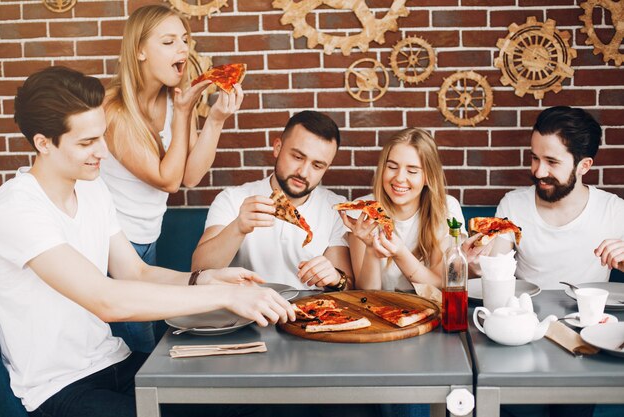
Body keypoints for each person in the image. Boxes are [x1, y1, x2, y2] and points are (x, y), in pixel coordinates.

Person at [0, 65, 294, 417]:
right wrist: (226, 296)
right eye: (86, 142)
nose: (103, 152)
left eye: (103, 136)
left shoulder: (92, 188)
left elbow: (134, 272)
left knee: (246, 400)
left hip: (113, 360)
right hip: (59, 387)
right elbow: (105, 300)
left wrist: (200, 279)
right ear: (44, 143)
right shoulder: (17, 207)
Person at [465, 106, 624, 417]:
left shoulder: (614, 211)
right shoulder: (514, 204)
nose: (538, 171)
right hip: (520, 335)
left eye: (551, 162)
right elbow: (494, 265)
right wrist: (476, 266)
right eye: (534, 158)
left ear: (584, 165)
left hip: (583, 344)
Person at [101, 4, 243, 352]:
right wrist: (183, 113)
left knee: (147, 345)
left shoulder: (174, 99)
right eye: (168, 42)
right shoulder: (113, 110)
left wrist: (216, 120)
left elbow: (192, 175)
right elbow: (167, 181)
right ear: (139, 50)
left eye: (184, 40)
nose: (182, 50)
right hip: (110, 248)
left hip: (147, 241)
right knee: (141, 350)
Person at [192, 110, 353, 291]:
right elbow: (199, 270)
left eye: (317, 165)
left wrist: (335, 278)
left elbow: (347, 285)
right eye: (297, 157)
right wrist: (238, 227)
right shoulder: (232, 198)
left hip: (309, 313)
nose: (303, 172)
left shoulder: (335, 208)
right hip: (244, 311)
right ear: (277, 147)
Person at [339, 128, 465, 291]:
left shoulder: (446, 209)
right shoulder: (361, 210)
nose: (399, 178)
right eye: (392, 167)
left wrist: (400, 253)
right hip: (381, 309)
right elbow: (366, 293)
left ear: (428, 177)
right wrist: (371, 249)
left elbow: (441, 283)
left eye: (412, 171)